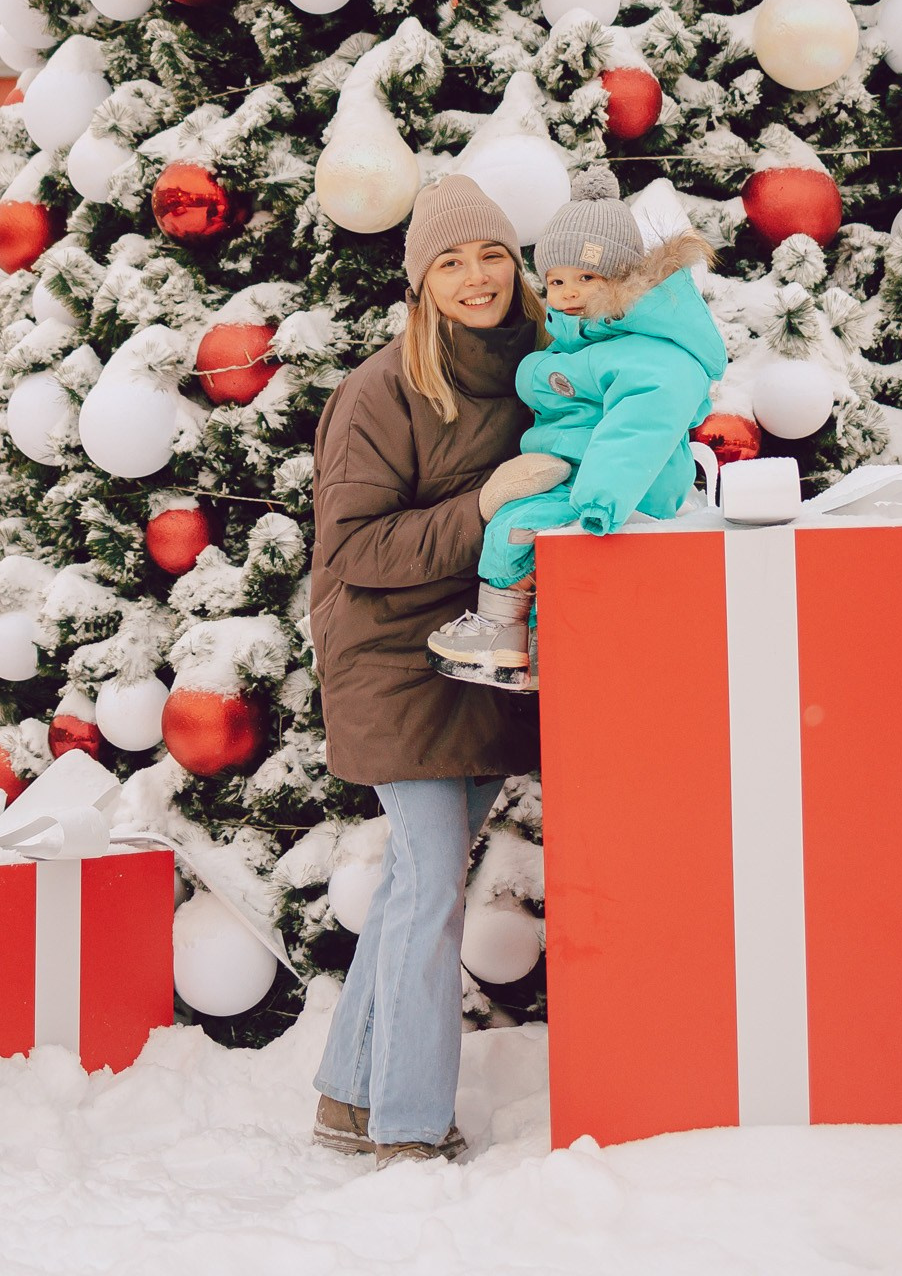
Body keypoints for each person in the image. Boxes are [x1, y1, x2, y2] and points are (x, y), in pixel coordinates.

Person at [306, 174, 564, 1166]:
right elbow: (356, 549)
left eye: (490, 254)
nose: (474, 277)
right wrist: (488, 502)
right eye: (449, 262)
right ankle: (409, 1124)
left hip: (491, 647)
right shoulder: (383, 390)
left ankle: (347, 1094)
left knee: (426, 875)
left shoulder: (545, 370)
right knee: (428, 883)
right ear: (421, 283)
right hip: (389, 654)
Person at [426, 195, 723, 688]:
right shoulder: (587, 340)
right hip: (583, 480)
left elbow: (639, 427)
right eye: (558, 281)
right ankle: (534, 648)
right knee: (522, 534)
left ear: (623, 280)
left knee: (515, 527)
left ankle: (500, 632)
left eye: (586, 279)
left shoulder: (648, 353)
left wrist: (600, 500)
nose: (567, 293)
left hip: (621, 494)